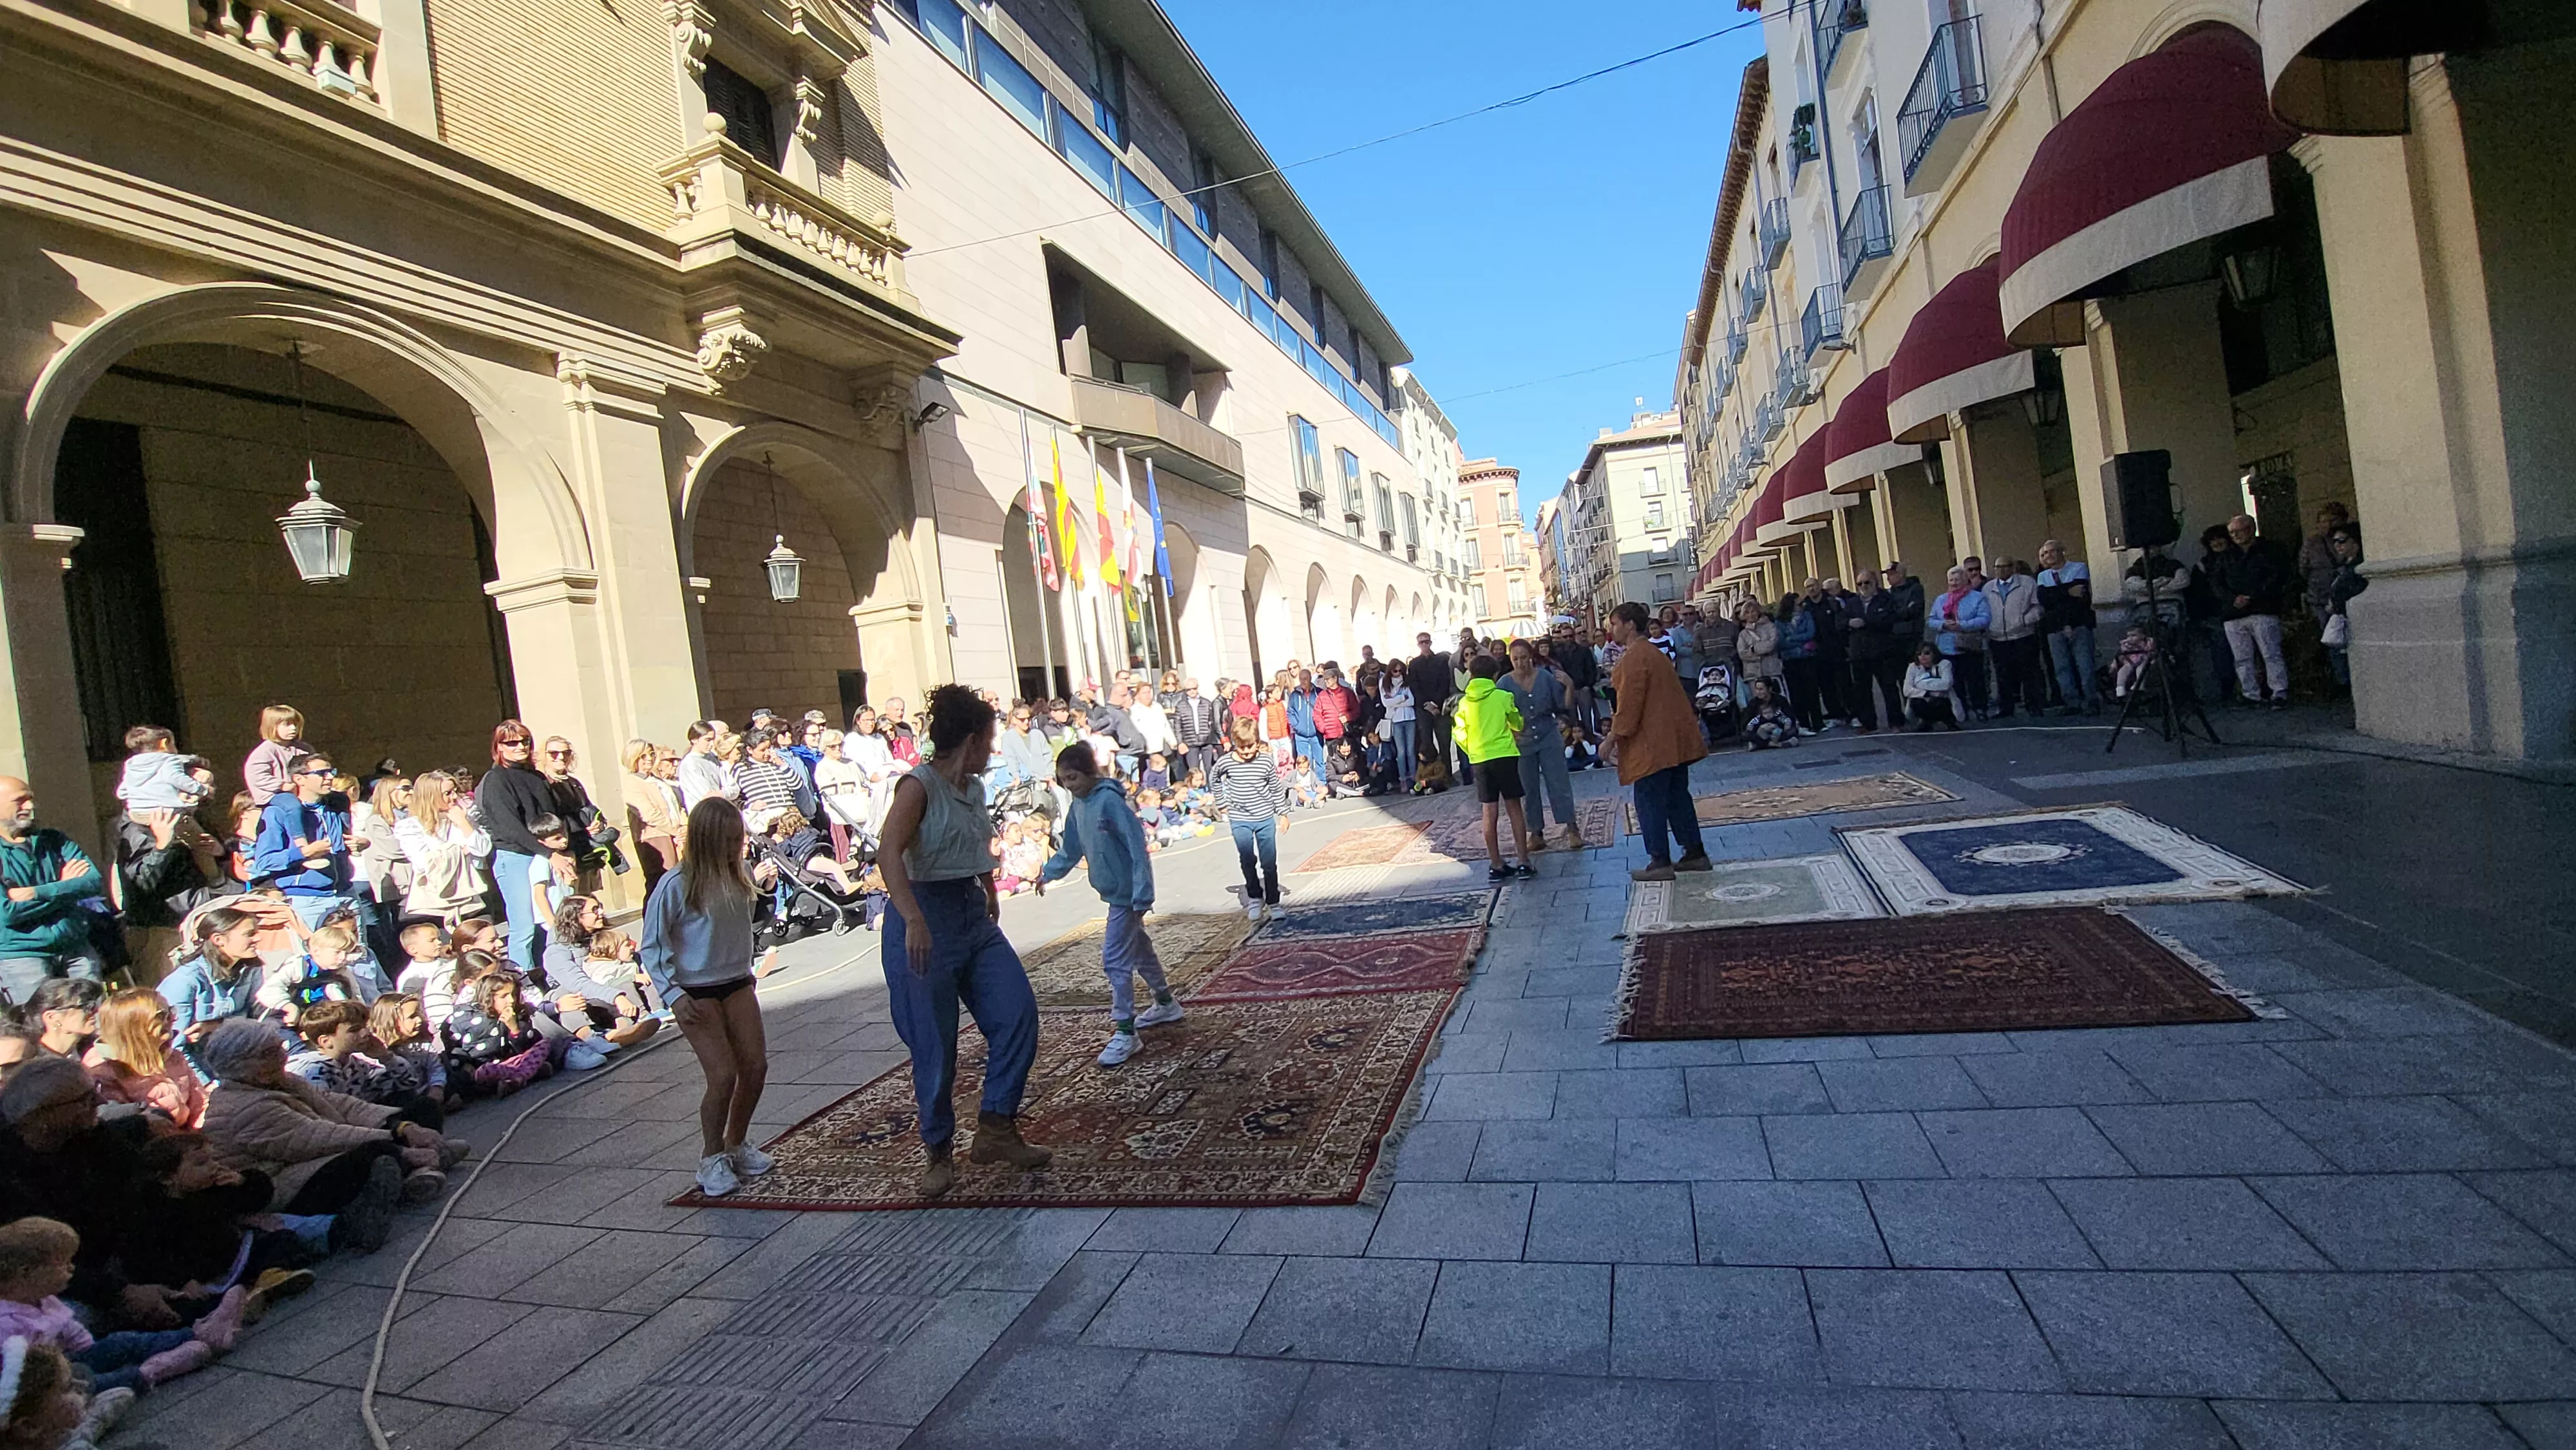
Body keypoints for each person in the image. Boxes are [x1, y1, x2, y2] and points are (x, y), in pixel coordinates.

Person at [876, 686, 1049, 1200]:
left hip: (972, 914)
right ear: (971, 740)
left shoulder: (972, 789)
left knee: (1016, 1012)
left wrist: (988, 886)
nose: (993, 750)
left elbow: (970, 843)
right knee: (935, 1044)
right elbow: (888, 853)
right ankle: (938, 1150)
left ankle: (996, 1127)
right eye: (989, 741)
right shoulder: (919, 786)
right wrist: (912, 919)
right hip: (924, 919)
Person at [639, 798, 776, 1199]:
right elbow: (653, 946)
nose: (738, 846)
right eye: (730, 840)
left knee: (755, 1066)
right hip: (693, 991)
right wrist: (672, 994)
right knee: (722, 1075)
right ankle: (710, 1156)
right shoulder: (677, 884)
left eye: (740, 838)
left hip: (735, 980)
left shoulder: (740, 875)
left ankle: (736, 1144)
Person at [197, 1018, 456, 1228]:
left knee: (421, 1109)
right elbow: (317, 1138)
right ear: (242, 1065)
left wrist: (403, 1126)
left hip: (310, 1159)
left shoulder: (281, 1081)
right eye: (270, 1053)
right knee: (373, 1152)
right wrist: (395, 1140)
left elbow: (343, 1105)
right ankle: (416, 1168)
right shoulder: (244, 1109)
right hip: (285, 1184)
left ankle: (418, 1166)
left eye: (279, 1049)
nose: (282, 1057)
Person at [1036, 742, 1183, 1068]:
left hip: (1128, 896)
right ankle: (1165, 1001)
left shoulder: (1110, 803)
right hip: (1114, 892)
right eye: (1064, 780)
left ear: (1089, 772)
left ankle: (1125, 1031)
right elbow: (1071, 848)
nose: (1070, 786)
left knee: (1115, 959)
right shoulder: (1078, 808)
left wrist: (1143, 892)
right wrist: (1048, 873)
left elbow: (1136, 847)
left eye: (1073, 777)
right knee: (1139, 949)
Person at [0, 1217, 237, 1397]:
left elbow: (70, 1329)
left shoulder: (44, 1298)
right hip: (49, 1388)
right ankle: (151, 1372)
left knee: (120, 1341)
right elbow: (23, 1376)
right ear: (26, 1274)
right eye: (61, 1265)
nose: (71, 1270)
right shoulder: (7, 1322)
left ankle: (199, 1333)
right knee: (90, 1384)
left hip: (73, 1361)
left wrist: (98, 1351)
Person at [1604, 602, 1712, 883]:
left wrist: (1611, 738)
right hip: (1674, 739)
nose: (1611, 629)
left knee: (1649, 800)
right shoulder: (1652, 652)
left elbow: (1629, 705)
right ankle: (1695, 852)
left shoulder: (1634, 657)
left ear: (1629, 625)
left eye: (1615, 623)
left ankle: (1660, 860)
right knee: (1677, 796)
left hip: (1652, 743)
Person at [0, 780, 104, 1012]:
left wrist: (40, 892)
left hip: (75, 947)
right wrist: (66, 888)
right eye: (20, 801)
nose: (30, 806)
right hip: (22, 956)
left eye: (31, 799)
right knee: (39, 1025)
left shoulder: (55, 840)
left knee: (94, 1020)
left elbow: (93, 881)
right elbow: (7, 913)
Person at [473, 722, 557, 971]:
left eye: (525, 741)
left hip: (545, 854)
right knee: (525, 926)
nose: (520, 747)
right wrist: (549, 853)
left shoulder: (537, 777)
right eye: (512, 742)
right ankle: (524, 979)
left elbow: (552, 816)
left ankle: (553, 973)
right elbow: (509, 826)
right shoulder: (495, 780)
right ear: (498, 747)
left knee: (552, 920)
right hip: (516, 856)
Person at [1453, 655, 1536, 883]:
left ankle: (1496, 864)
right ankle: (1523, 861)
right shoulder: (1502, 696)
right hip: (1505, 755)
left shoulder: (1465, 703)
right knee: (1514, 808)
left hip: (1480, 758)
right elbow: (1517, 723)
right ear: (1494, 676)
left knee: (1489, 812)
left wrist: (1472, 748)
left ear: (1471, 675)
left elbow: (1458, 732)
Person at [82, 990, 205, 1129]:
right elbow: (122, 1129)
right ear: (132, 1026)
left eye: (171, 1012)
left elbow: (201, 1105)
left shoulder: (173, 1057)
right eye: (161, 1016)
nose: (173, 1019)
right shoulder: (103, 1070)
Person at [1501, 639, 1581, 852]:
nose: (1520, 663)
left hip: (1548, 734)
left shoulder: (1545, 677)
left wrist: (1570, 685)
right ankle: (1536, 832)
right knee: (1529, 787)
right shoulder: (1504, 684)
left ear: (1531, 657)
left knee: (1558, 782)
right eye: (1515, 659)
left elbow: (1563, 705)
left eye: (1524, 658)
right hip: (1521, 741)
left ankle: (1572, 827)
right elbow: (1499, 714)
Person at [1212, 716, 1289, 921]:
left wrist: (1283, 813)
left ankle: (1273, 901)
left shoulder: (1265, 761)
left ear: (1257, 741)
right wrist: (1221, 802)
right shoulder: (1226, 762)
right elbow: (1214, 777)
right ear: (1235, 744)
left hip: (1264, 818)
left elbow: (1275, 788)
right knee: (1247, 859)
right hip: (1240, 819)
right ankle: (1255, 896)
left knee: (1269, 862)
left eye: (1250, 747)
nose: (1246, 752)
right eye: (1241, 748)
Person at [2215, 513, 2295, 708]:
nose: (2235, 536)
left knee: (2271, 653)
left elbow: (2277, 577)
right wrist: (2233, 599)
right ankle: (2250, 694)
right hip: (2234, 614)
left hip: (2263, 609)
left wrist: (2252, 597)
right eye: (2231, 533)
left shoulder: (2271, 551)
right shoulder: (2226, 557)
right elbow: (2217, 583)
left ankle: (2279, 692)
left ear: (2251, 529)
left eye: (2238, 531)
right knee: (2242, 657)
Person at [2034, 539, 2101, 715]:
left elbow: (2080, 600)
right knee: (2061, 667)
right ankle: (2071, 702)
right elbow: (2044, 600)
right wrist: (2066, 592)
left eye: (2052, 551)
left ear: (2062, 551)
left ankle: (2091, 701)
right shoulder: (2043, 576)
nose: (2048, 556)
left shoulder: (2078, 568)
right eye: (2045, 553)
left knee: (2084, 664)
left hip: (2078, 623)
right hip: (2054, 627)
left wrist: (2068, 620)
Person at [1983, 558, 2047, 717]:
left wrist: (2025, 621)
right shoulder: (1988, 588)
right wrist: (1989, 627)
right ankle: (2006, 708)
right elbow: (1984, 610)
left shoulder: (2027, 583)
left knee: (2029, 672)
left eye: (2004, 567)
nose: (2001, 570)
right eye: (1997, 567)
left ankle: (2034, 706)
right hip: (1998, 637)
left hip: (2023, 635)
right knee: (2003, 674)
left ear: (2012, 568)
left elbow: (2037, 606)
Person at [1927, 566, 1993, 719]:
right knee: (1954, 682)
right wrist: (1943, 625)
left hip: (1969, 646)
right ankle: (1960, 711)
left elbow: (1985, 619)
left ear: (1965, 580)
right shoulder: (1941, 599)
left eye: (1958, 579)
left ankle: (1980, 709)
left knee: (1975, 680)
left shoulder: (1977, 597)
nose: (1954, 583)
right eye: (1951, 580)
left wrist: (1962, 625)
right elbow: (1931, 620)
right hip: (1947, 648)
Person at [621, 740, 685, 890]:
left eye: (651, 754)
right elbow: (648, 814)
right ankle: (654, 913)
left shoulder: (657, 780)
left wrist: (684, 827)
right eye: (643, 756)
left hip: (674, 835)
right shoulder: (632, 782)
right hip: (655, 837)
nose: (649, 759)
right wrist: (675, 830)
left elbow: (676, 805)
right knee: (661, 882)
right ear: (633, 758)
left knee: (678, 881)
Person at [2322, 525, 2367, 693]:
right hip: (2339, 617)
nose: (2337, 545)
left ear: (2355, 543)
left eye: (2342, 541)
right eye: (2334, 542)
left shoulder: (2360, 566)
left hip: (2354, 617)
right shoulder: (2341, 566)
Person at [240, 705, 308, 807]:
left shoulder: (304, 749)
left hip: (302, 792)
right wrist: (282, 785)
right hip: (273, 795)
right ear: (272, 727)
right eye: (287, 725)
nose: (293, 728)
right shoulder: (265, 751)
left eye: (295, 724)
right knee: (293, 806)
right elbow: (258, 776)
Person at [2299, 501, 2354, 621]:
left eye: (2333, 520)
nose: (2329, 525)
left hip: (2346, 594)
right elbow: (2303, 569)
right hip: (2320, 598)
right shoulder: (2312, 543)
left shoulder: (2351, 539)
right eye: (2324, 521)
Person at [1777, 589, 1824, 733]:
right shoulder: (1780, 621)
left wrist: (1794, 639)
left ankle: (1818, 723)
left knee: (1812, 691)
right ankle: (1803, 723)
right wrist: (1799, 643)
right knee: (1797, 693)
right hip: (1790, 659)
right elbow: (1782, 642)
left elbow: (1810, 633)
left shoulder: (1807, 616)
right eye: (1798, 604)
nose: (1802, 605)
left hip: (1807, 658)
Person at [1732, 600, 1783, 708]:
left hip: (1771, 670)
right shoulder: (1743, 634)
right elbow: (1742, 654)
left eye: (1753, 611)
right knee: (1758, 704)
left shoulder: (1770, 627)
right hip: (1753, 674)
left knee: (1777, 700)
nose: (1751, 615)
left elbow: (1772, 644)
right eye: (1747, 612)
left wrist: (1754, 649)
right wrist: (1760, 655)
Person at [1904, 643, 1962, 731]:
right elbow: (1907, 690)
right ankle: (1926, 722)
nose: (1923, 657)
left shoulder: (1945, 664)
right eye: (1919, 654)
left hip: (1943, 700)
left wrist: (1919, 684)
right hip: (1923, 699)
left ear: (1934, 654)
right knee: (1918, 702)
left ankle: (1948, 721)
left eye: (1927, 653)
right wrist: (1927, 693)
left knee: (1938, 702)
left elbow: (1946, 684)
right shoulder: (1912, 667)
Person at [1743, 677, 1799, 749]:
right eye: (1757, 689)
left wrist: (1778, 725)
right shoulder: (1753, 703)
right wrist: (1761, 726)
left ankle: (1761, 745)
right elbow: (1746, 723)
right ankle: (1774, 744)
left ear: (1769, 689)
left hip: (1778, 730)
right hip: (1761, 731)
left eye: (1761, 689)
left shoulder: (1780, 700)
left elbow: (1791, 718)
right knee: (1745, 735)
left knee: (1793, 731)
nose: (1758, 692)